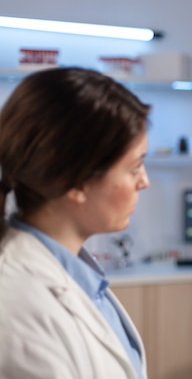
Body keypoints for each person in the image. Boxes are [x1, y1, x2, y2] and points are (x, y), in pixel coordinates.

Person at [0, 67, 151, 378]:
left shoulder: (79, 276)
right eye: (134, 167)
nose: (144, 182)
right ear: (78, 183)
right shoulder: (17, 304)